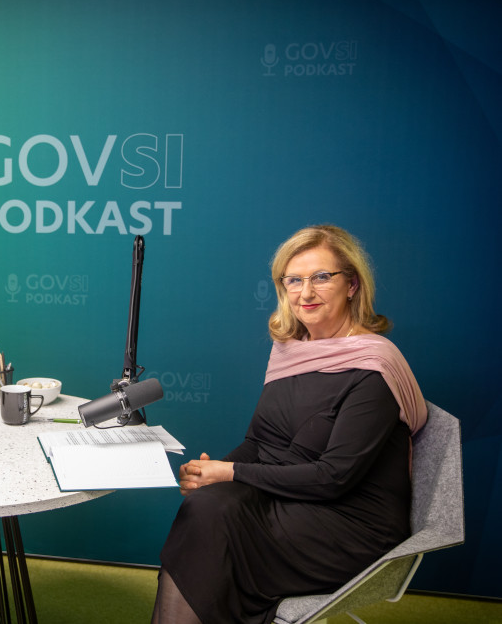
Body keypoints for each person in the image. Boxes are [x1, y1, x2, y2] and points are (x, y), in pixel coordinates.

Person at [152, 225, 427, 624]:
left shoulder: (373, 367)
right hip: (291, 501)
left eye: (321, 277)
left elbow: (334, 478)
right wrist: (211, 475)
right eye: (293, 280)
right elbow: (260, 442)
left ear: (351, 285)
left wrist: (230, 472)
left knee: (212, 527)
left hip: (350, 525)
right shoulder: (291, 353)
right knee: (205, 507)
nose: (306, 293)